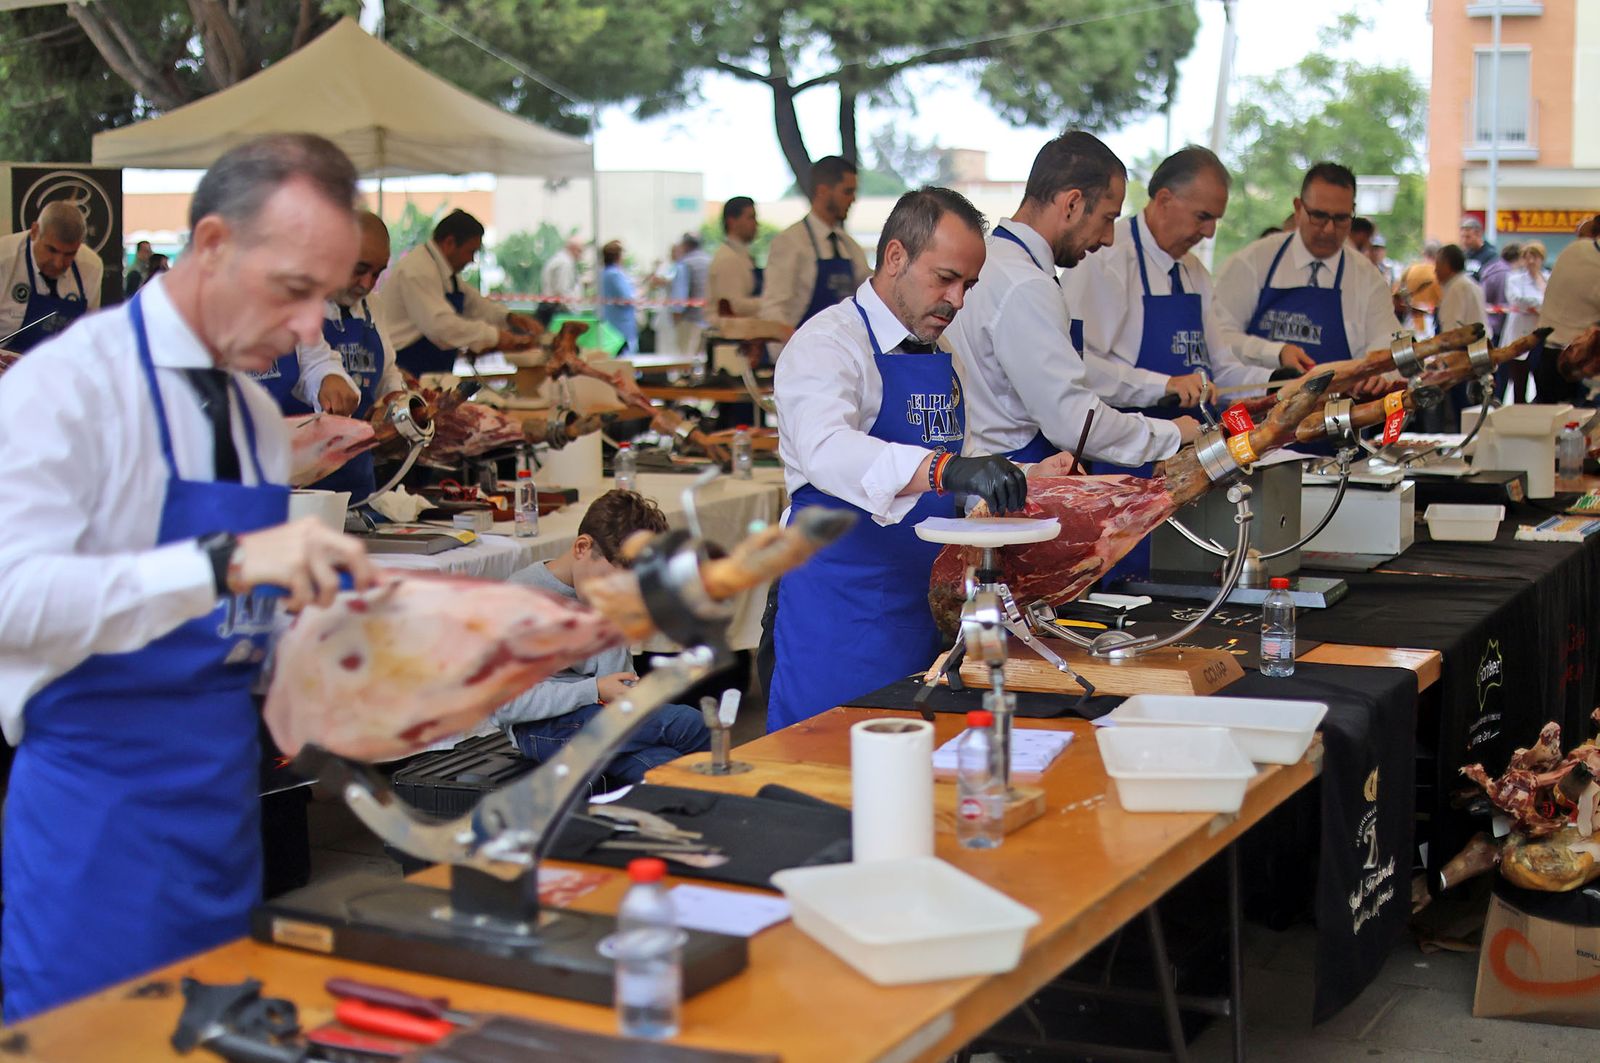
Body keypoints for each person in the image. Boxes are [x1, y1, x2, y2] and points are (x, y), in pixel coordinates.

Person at [0, 133, 378, 1022]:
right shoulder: (69, 389)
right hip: (98, 832)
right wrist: (225, 561)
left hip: (223, 822)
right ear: (212, 245)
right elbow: (12, 598)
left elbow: (236, 618)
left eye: (325, 297)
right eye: (295, 291)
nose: (310, 330)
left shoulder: (251, 411)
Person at [766, 187, 1049, 730]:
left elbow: (957, 470)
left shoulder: (946, 357)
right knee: (821, 782)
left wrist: (1021, 476)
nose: (958, 300)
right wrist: (947, 469)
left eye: (969, 285)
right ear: (895, 257)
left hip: (924, 615)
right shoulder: (827, 344)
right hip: (838, 618)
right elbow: (827, 451)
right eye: (945, 278)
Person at [1060, 145, 1276, 577]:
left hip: (1193, 459)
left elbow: (1222, 369)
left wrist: (1278, 382)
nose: (1211, 232)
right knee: (1133, 585)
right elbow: (1081, 367)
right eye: (1203, 217)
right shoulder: (1104, 259)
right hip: (1126, 466)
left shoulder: (1195, 271)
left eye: (1216, 219)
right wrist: (1162, 385)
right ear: (1163, 200)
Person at [946, 131, 1200, 471]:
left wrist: (1157, 386)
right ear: (1072, 204)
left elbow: (1066, 371)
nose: (1109, 238)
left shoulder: (994, 259)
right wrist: (1172, 432)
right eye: (1108, 218)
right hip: (1017, 484)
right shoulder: (1026, 286)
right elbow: (1073, 421)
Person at [491, 490, 709, 784]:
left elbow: (615, 675)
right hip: (542, 728)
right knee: (692, 724)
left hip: (596, 713)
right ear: (582, 547)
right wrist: (594, 689)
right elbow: (504, 705)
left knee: (665, 771)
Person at [253, 211, 406, 498]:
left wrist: (395, 400)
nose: (367, 283)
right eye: (359, 269)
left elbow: (317, 360)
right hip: (285, 483)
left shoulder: (369, 309)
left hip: (354, 476)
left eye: (376, 273)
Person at [1214, 162, 1397, 376]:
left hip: (1335, 407)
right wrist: (1276, 352)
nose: (1329, 229)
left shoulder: (1367, 278)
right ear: (1298, 208)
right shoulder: (1253, 262)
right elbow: (1219, 337)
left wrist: (1381, 373)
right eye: (1319, 216)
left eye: (1341, 219)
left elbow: (1388, 344)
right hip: (1255, 404)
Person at [374, 208, 540, 376]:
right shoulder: (418, 270)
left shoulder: (443, 273)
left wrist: (510, 318)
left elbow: (476, 305)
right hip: (403, 369)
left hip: (432, 372)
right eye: (470, 252)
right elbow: (441, 326)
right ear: (449, 243)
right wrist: (495, 336)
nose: (471, 260)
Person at [759, 156, 870, 328]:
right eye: (847, 192)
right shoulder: (790, 242)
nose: (853, 199)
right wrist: (790, 353)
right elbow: (775, 309)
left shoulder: (848, 245)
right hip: (802, 349)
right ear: (823, 191)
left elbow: (870, 289)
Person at [0, 201, 104, 354]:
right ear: (35, 231)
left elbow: (88, 333)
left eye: (70, 254)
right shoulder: (4, 258)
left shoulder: (91, 266)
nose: (58, 263)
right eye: (51, 250)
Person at [1534, 235, 1600, 405]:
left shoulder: (1576, 248)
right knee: (1576, 426)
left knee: (1550, 422)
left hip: (1544, 352)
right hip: (1577, 363)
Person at [1500, 241, 1546, 402]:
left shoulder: (1548, 278)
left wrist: (1536, 305)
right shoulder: (1514, 279)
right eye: (1527, 257)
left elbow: (1552, 301)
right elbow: (1517, 299)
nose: (1531, 261)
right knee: (1519, 383)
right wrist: (1539, 304)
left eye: (1535, 257)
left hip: (1540, 333)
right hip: (1518, 335)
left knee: (1542, 381)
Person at [709, 196, 763, 323]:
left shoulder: (741, 256)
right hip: (731, 338)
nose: (756, 223)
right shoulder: (728, 259)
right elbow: (734, 305)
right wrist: (770, 301)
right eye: (751, 217)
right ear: (732, 221)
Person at [671, 232, 712, 359]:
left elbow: (680, 293)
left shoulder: (685, 263)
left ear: (685, 245)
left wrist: (676, 316)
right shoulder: (710, 261)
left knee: (685, 360)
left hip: (689, 320)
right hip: (708, 320)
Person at [599, 240, 640, 354]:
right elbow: (627, 297)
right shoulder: (615, 275)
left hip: (610, 320)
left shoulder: (603, 273)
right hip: (622, 324)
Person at [1399, 239, 1442, 335]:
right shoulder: (1438, 274)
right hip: (1430, 322)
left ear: (1423, 253)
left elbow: (1398, 292)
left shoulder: (1409, 270)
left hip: (1410, 320)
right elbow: (1441, 300)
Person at [538, 236, 584, 324]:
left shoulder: (557, 259)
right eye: (580, 251)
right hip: (557, 312)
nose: (581, 255)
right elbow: (562, 290)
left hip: (548, 308)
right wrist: (573, 312)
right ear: (572, 248)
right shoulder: (565, 264)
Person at [1480, 241, 1517, 343]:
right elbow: (1503, 302)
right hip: (1496, 326)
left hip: (1485, 322)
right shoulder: (1506, 274)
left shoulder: (1491, 267)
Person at [1459, 215, 1497, 280]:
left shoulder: (1491, 256)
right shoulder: (1463, 255)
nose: (1464, 241)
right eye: (1462, 237)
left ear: (1478, 234)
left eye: (1468, 237)